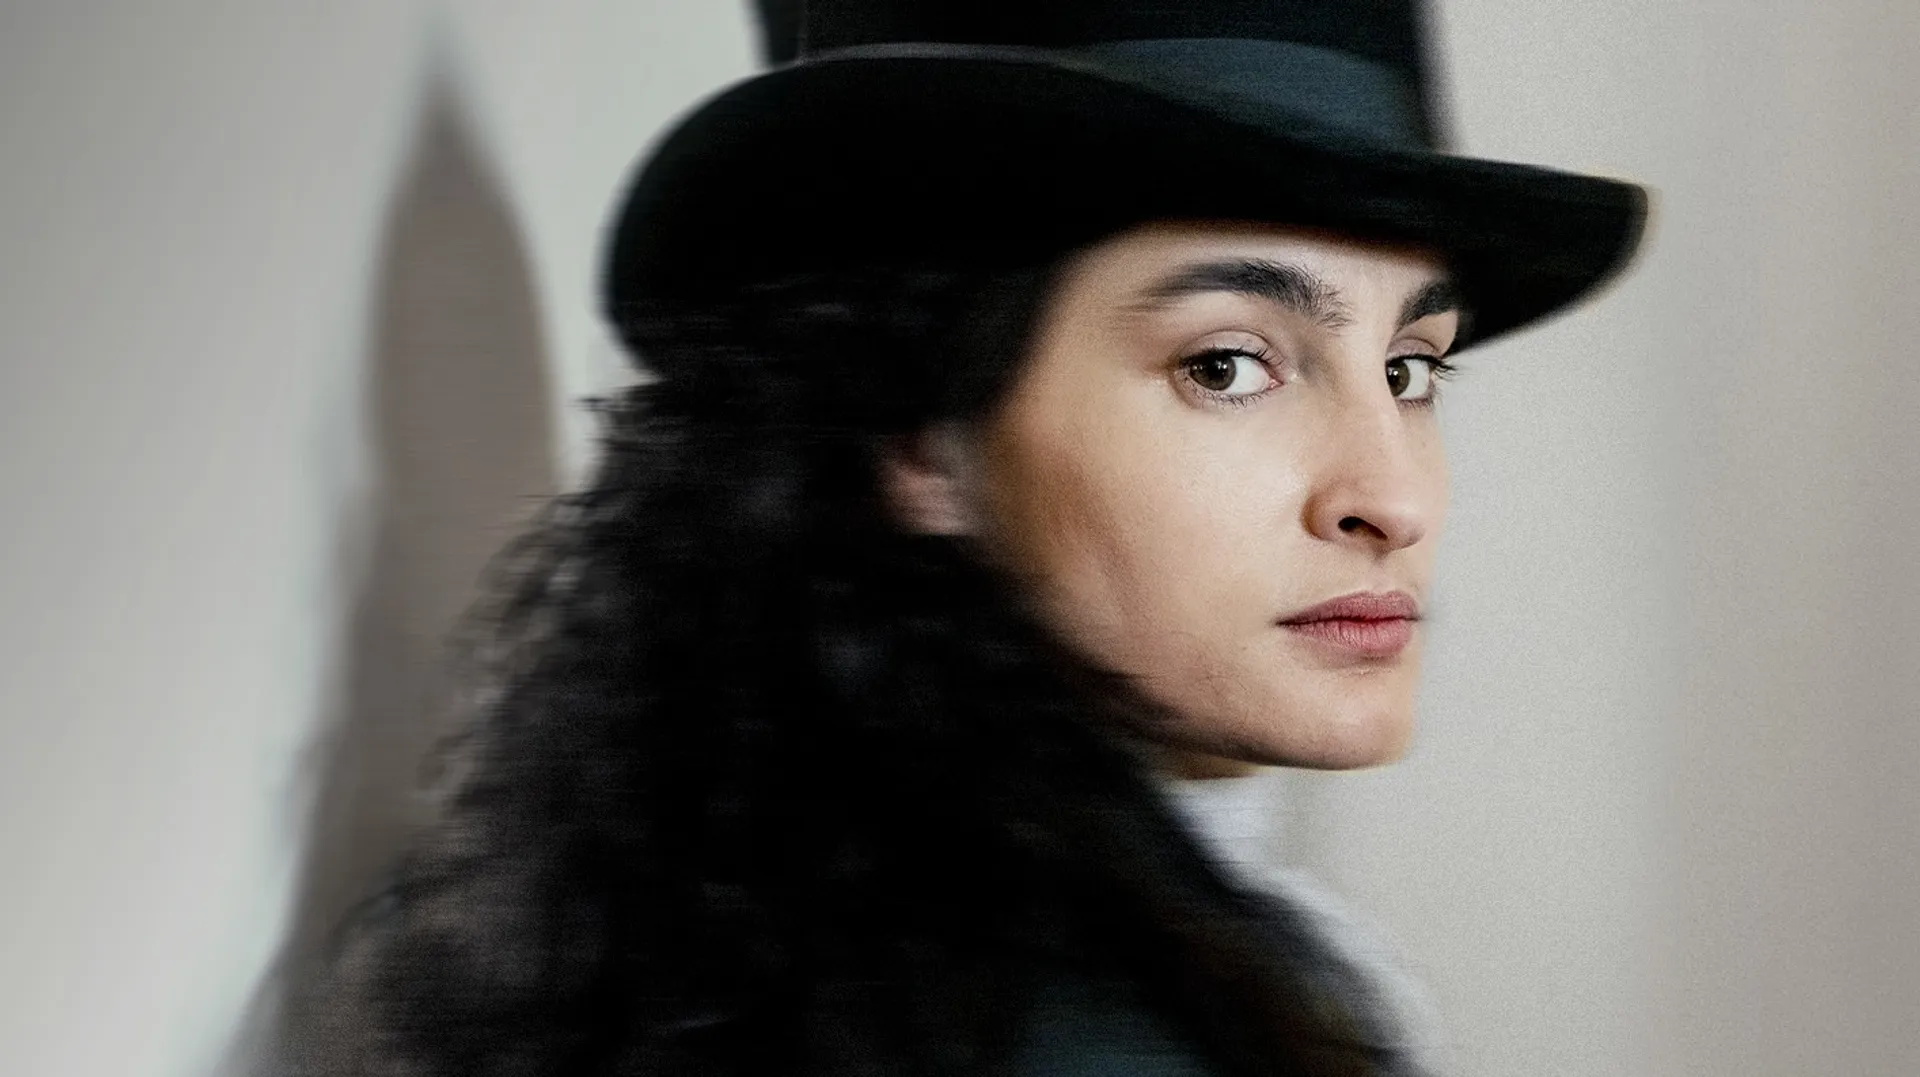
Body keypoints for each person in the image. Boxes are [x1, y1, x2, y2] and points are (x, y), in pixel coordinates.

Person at [280, 1, 1646, 1075]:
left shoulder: (726, 917)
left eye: (1412, 368)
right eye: (1229, 365)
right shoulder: (1055, 1030)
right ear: (921, 433)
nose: (1392, 496)